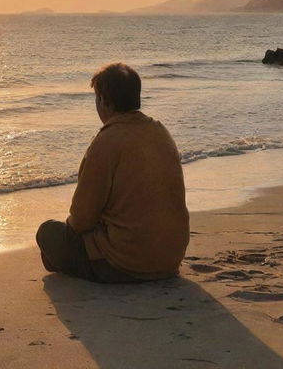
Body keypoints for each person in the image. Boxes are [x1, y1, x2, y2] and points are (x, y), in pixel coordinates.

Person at [36, 63, 189, 283]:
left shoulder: (107, 141)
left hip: (125, 263)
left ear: (104, 101)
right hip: (170, 257)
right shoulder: (160, 131)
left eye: (97, 98)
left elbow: (81, 219)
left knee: (48, 233)